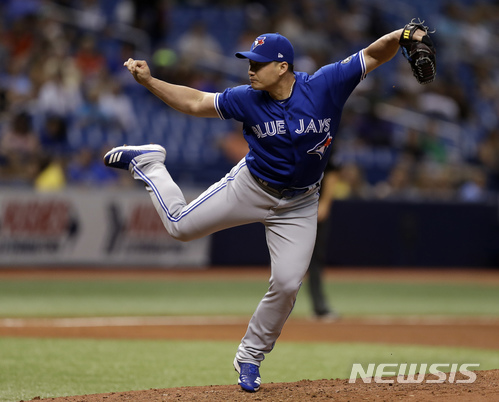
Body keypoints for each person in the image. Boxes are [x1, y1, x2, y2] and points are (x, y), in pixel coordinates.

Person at [104, 28, 426, 392]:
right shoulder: (246, 98)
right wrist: (149, 82)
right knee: (179, 227)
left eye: (258, 64)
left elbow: (374, 54)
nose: (250, 70)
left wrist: (403, 34)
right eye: (249, 63)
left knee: (288, 283)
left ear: (282, 66)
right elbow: (195, 102)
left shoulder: (324, 84)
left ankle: (250, 356)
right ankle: (149, 164)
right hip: (252, 186)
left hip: (301, 202)